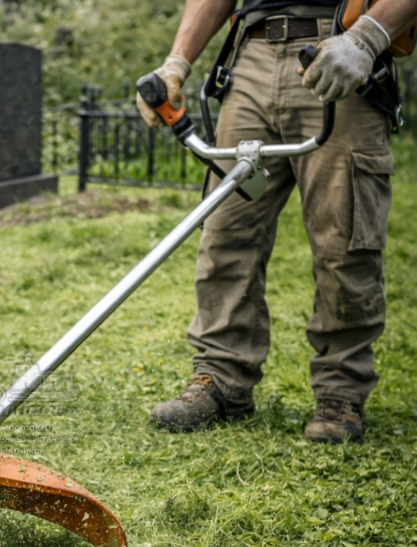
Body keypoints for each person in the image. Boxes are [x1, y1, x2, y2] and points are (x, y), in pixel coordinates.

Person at [137, 0, 417, 443]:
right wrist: (177, 61)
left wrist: (367, 39)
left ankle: (340, 391)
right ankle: (221, 377)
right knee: (225, 229)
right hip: (251, 49)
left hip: (341, 42)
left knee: (343, 238)